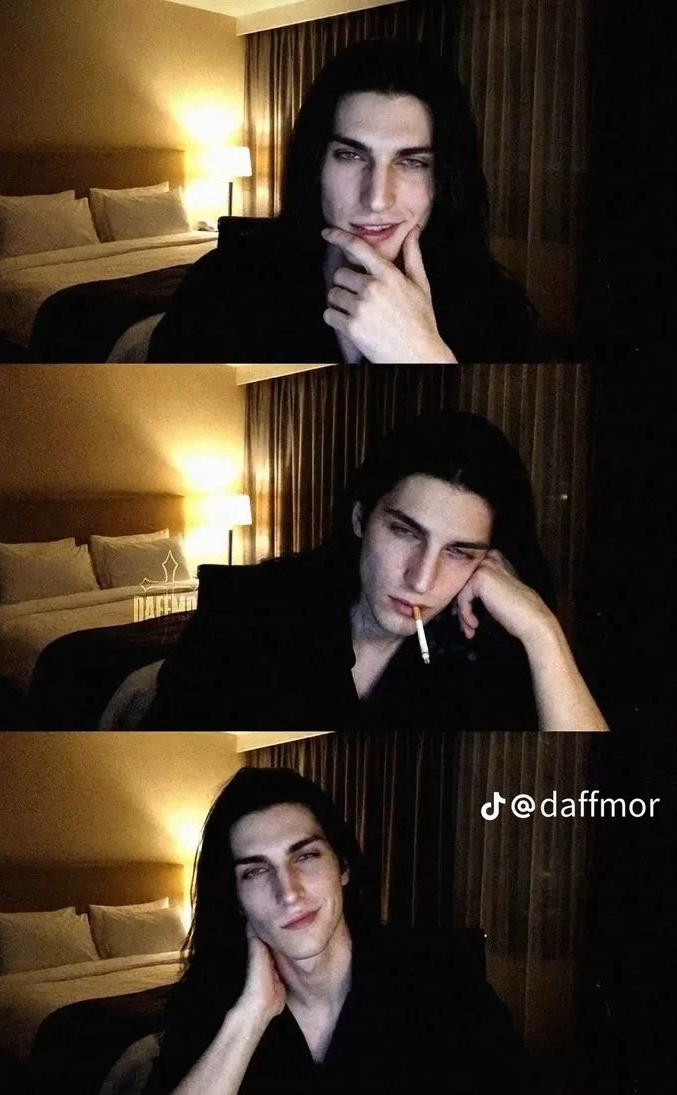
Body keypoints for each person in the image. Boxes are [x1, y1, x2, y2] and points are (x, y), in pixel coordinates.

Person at [142, 411, 607, 732]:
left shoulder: (480, 649)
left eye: (459, 552)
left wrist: (542, 631)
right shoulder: (244, 612)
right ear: (361, 519)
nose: (421, 580)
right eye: (405, 532)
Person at [143, 767, 544, 1095]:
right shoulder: (206, 1005)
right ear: (236, 898)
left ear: (344, 867)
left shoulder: (442, 978)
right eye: (256, 871)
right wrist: (250, 1017)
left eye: (306, 856)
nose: (289, 893)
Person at [148, 39, 539, 364]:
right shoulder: (222, 284)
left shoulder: (497, 309)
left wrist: (423, 353)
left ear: (445, 178)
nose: (377, 199)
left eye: (412, 162)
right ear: (316, 164)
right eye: (351, 155)